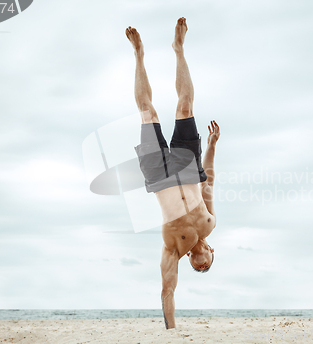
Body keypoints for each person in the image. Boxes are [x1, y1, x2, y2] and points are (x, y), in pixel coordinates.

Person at [125, 17, 220, 329]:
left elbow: (167, 289)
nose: (198, 254)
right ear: (211, 249)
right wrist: (212, 145)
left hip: (157, 176)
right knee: (185, 106)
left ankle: (138, 54)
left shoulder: (172, 249)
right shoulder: (210, 223)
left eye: (197, 261)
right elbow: (210, 181)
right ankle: (178, 49)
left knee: (146, 111)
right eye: (205, 255)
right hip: (188, 167)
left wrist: (171, 330)